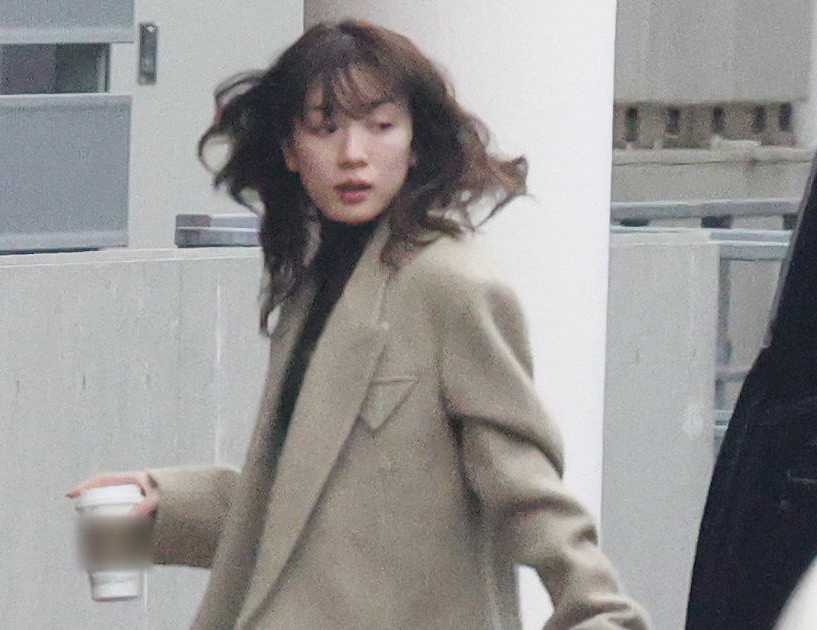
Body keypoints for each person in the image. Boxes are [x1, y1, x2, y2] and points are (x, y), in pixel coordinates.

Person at [68, 20, 649, 630]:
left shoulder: (453, 286)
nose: (353, 154)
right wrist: (168, 509)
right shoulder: (313, 286)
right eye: (325, 129)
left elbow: (527, 492)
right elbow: (323, 508)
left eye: (381, 126)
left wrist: (598, 612)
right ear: (290, 149)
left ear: (415, 143)